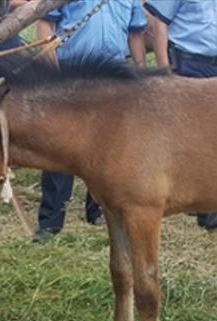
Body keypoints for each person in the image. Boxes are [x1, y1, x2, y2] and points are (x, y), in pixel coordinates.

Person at [32, 0, 147, 244]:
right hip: (74, 73)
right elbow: (45, 23)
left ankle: (97, 212)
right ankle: (50, 223)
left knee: (107, 148)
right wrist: (53, 70)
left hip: (112, 75)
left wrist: (140, 70)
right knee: (60, 146)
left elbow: (135, 32)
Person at [144, 0, 217, 231]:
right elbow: (160, 24)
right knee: (193, 136)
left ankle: (203, 203)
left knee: (215, 135)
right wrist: (164, 71)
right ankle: (198, 205)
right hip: (188, 62)